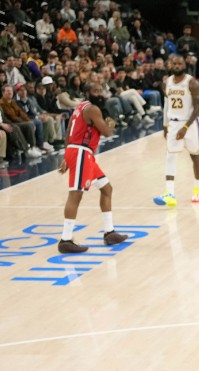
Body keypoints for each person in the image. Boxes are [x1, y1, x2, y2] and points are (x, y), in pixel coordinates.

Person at [56, 82, 129, 253]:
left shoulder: (79, 107)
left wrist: (67, 156)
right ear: (87, 93)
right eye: (95, 90)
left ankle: (109, 232)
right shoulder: (93, 109)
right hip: (81, 152)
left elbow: (68, 132)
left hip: (81, 152)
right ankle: (66, 239)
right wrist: (111, 122)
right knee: (75, 195)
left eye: (100, 90)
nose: (99, 93)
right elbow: (107, 132)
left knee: (106, 188)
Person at [154, 55, 199, 207]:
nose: (177, 66)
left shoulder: (192, 83)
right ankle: (170, 194)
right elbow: (166, 105)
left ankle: (197, 189)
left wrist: (186, 127)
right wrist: (165, 126)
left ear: (184, 65)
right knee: (170, 156)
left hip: (190, 124)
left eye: (179, 64)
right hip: (173, 124)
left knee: (195, 156)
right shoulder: (166, 83)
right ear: (170, 65)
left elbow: (197, 108)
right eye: (174, 63)